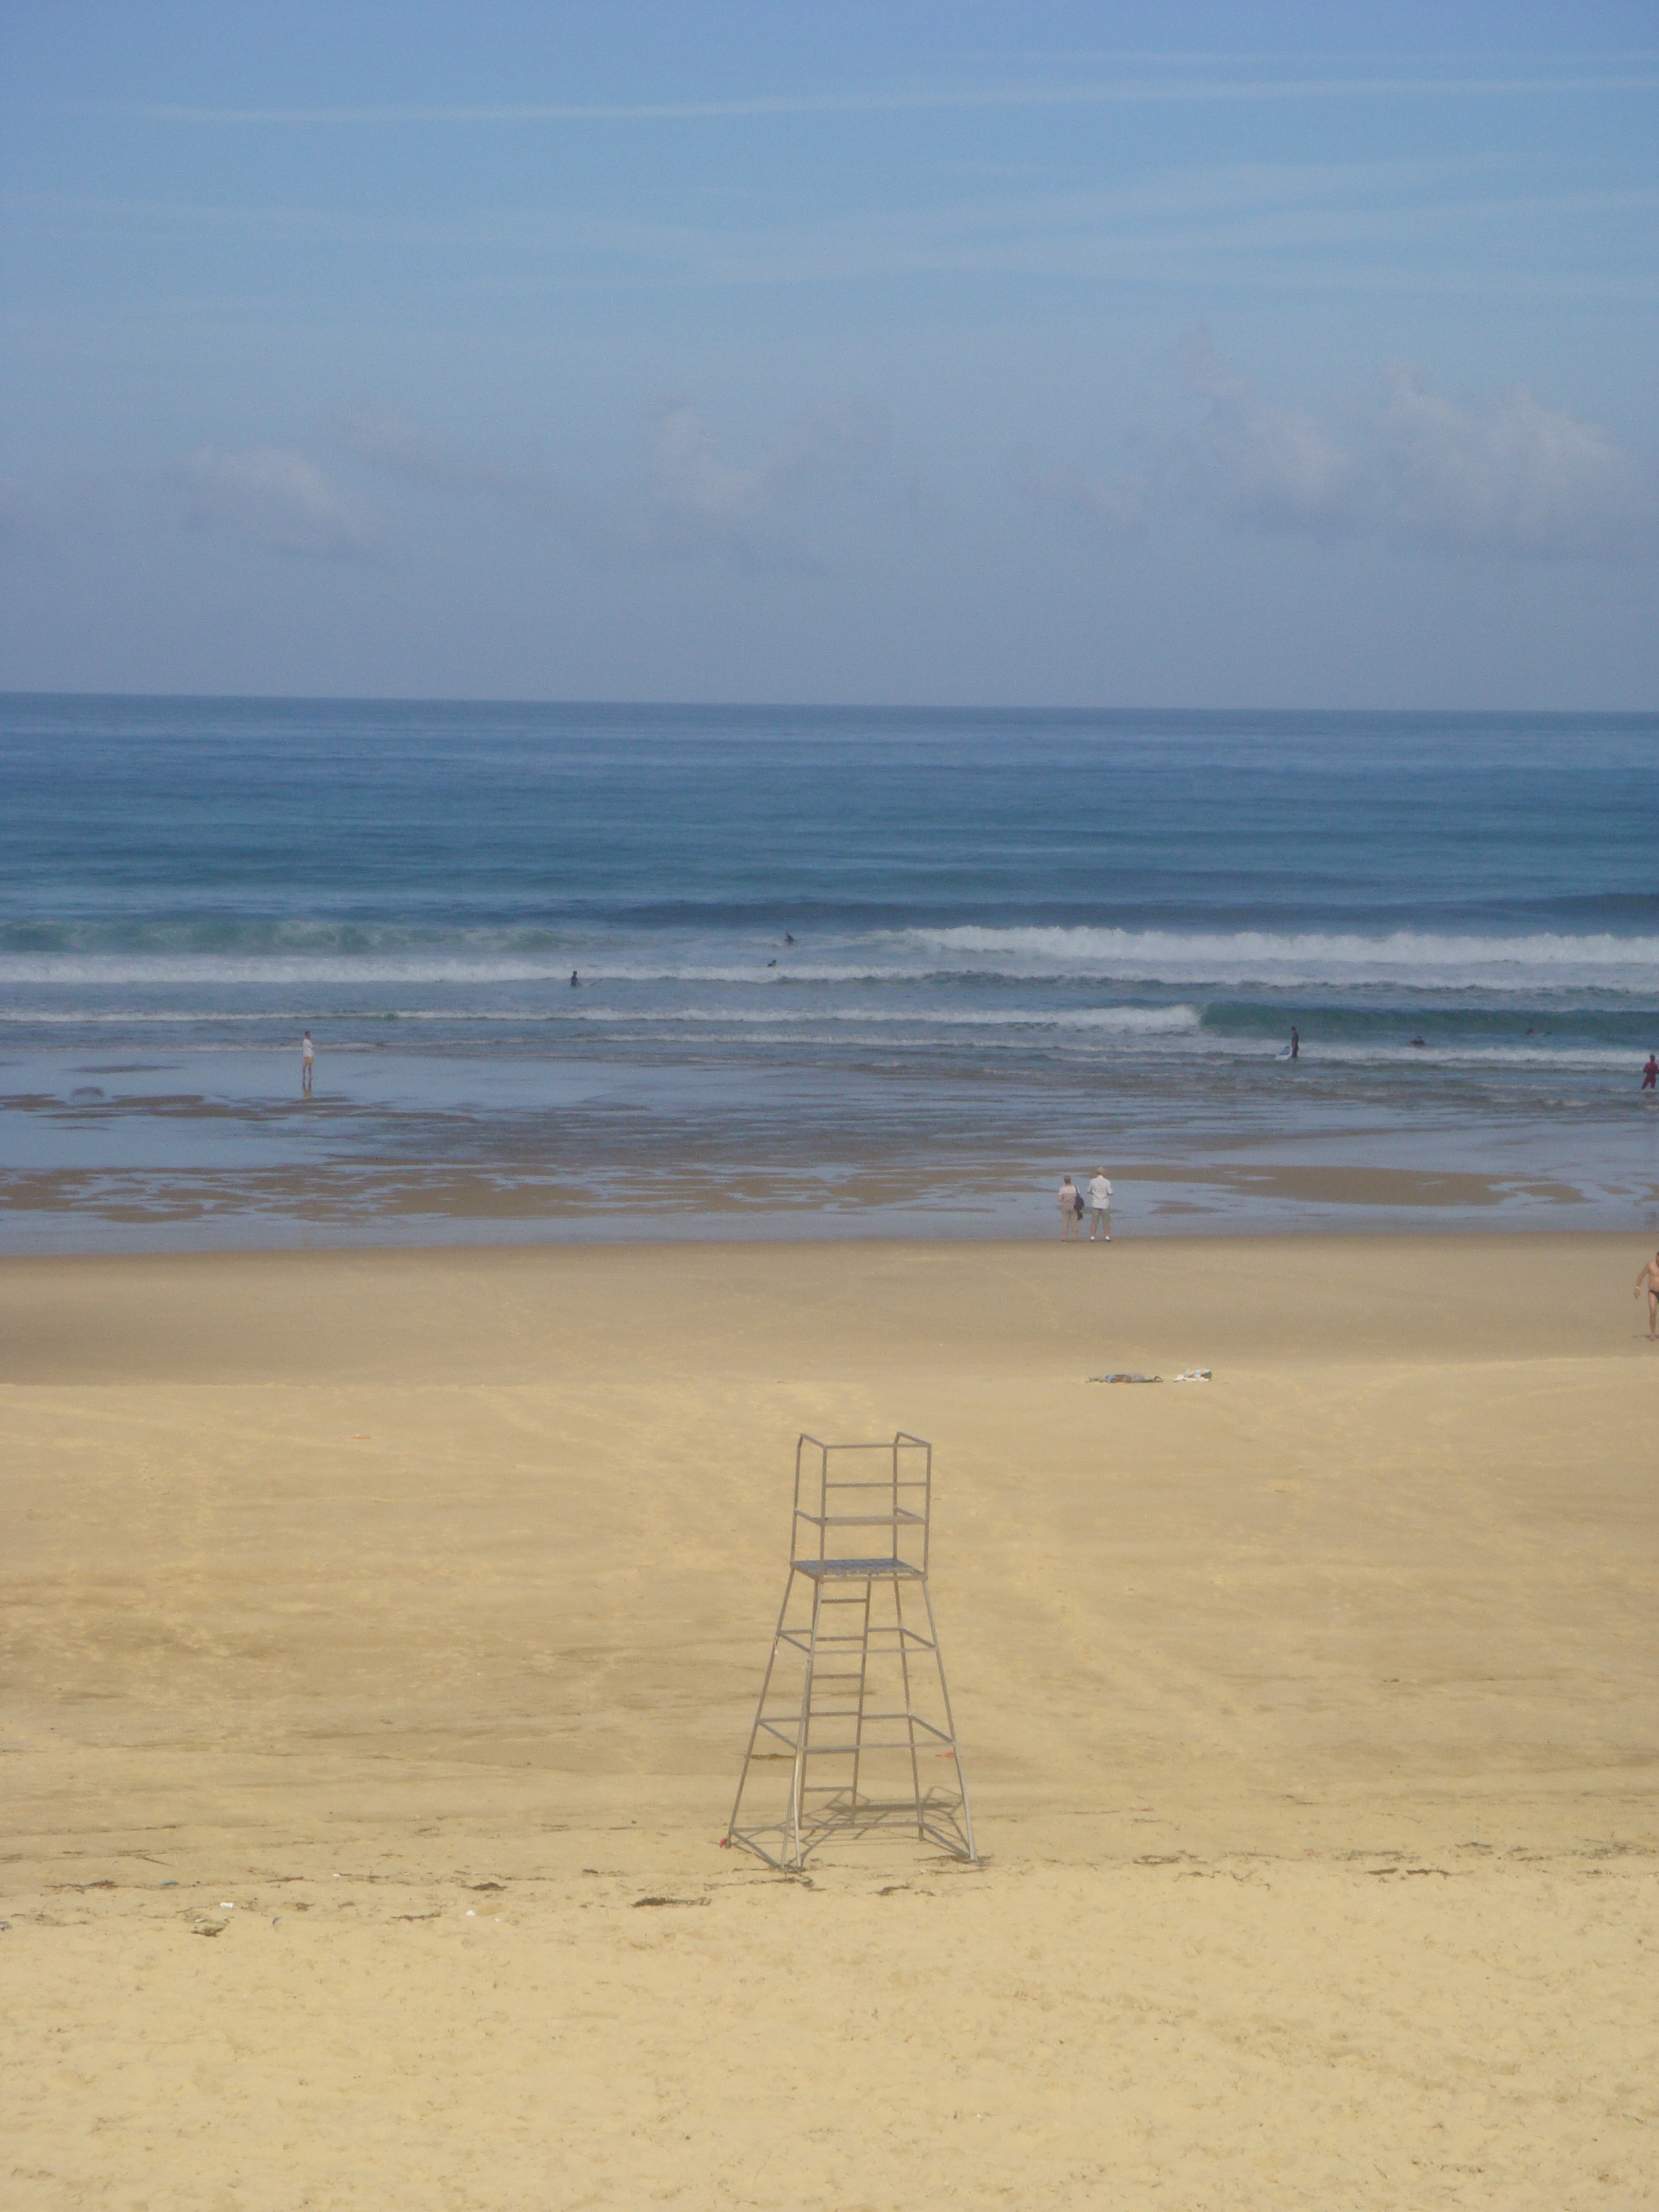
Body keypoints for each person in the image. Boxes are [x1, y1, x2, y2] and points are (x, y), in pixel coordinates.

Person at [1637, 1252, 1659, 1340]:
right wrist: (1637, 1288)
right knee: (1653, 1312)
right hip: (1652, 1292)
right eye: (1658, 1260)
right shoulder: (1651, 1265)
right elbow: (1642, 1275)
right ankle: (1653, 1332)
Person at [1087, 1168, 1113, 1242]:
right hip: (1105, 1204)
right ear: (1103, 1173)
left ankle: (1092, 1237)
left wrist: (1094, 1193)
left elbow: (1089, 1190)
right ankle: (1107, 1236)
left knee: (1094, 1221)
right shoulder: (1107, 1182)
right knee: (1106, 1221)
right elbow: (1110, 1192)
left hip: (1095, 1203)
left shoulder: (1092, 1181)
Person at [1057, 1175, 1082, 1240]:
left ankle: (1064, 1237)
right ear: (1070, 1180)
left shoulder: (1062, 1189)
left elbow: (1059, 1199)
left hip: (1065, 1206)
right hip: (1074, 1206)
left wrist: (1064, 1199)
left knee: (1065, 1222)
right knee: (1074, 1222)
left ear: (1064, 1181)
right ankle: (1074, 1237)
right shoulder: (1075, 1188)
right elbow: (1078, 1196)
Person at [301, 1030, 314, 1097]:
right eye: (309, 1035)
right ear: (307, 1035)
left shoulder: (304, 1041)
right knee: (309, 1066)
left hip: (305, 1054)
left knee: (305, 1065)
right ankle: (310, 1075)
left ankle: (304, 1075)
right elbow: (312, 1047)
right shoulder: (308, 1042)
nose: (309, 1036)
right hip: (309, 1055)